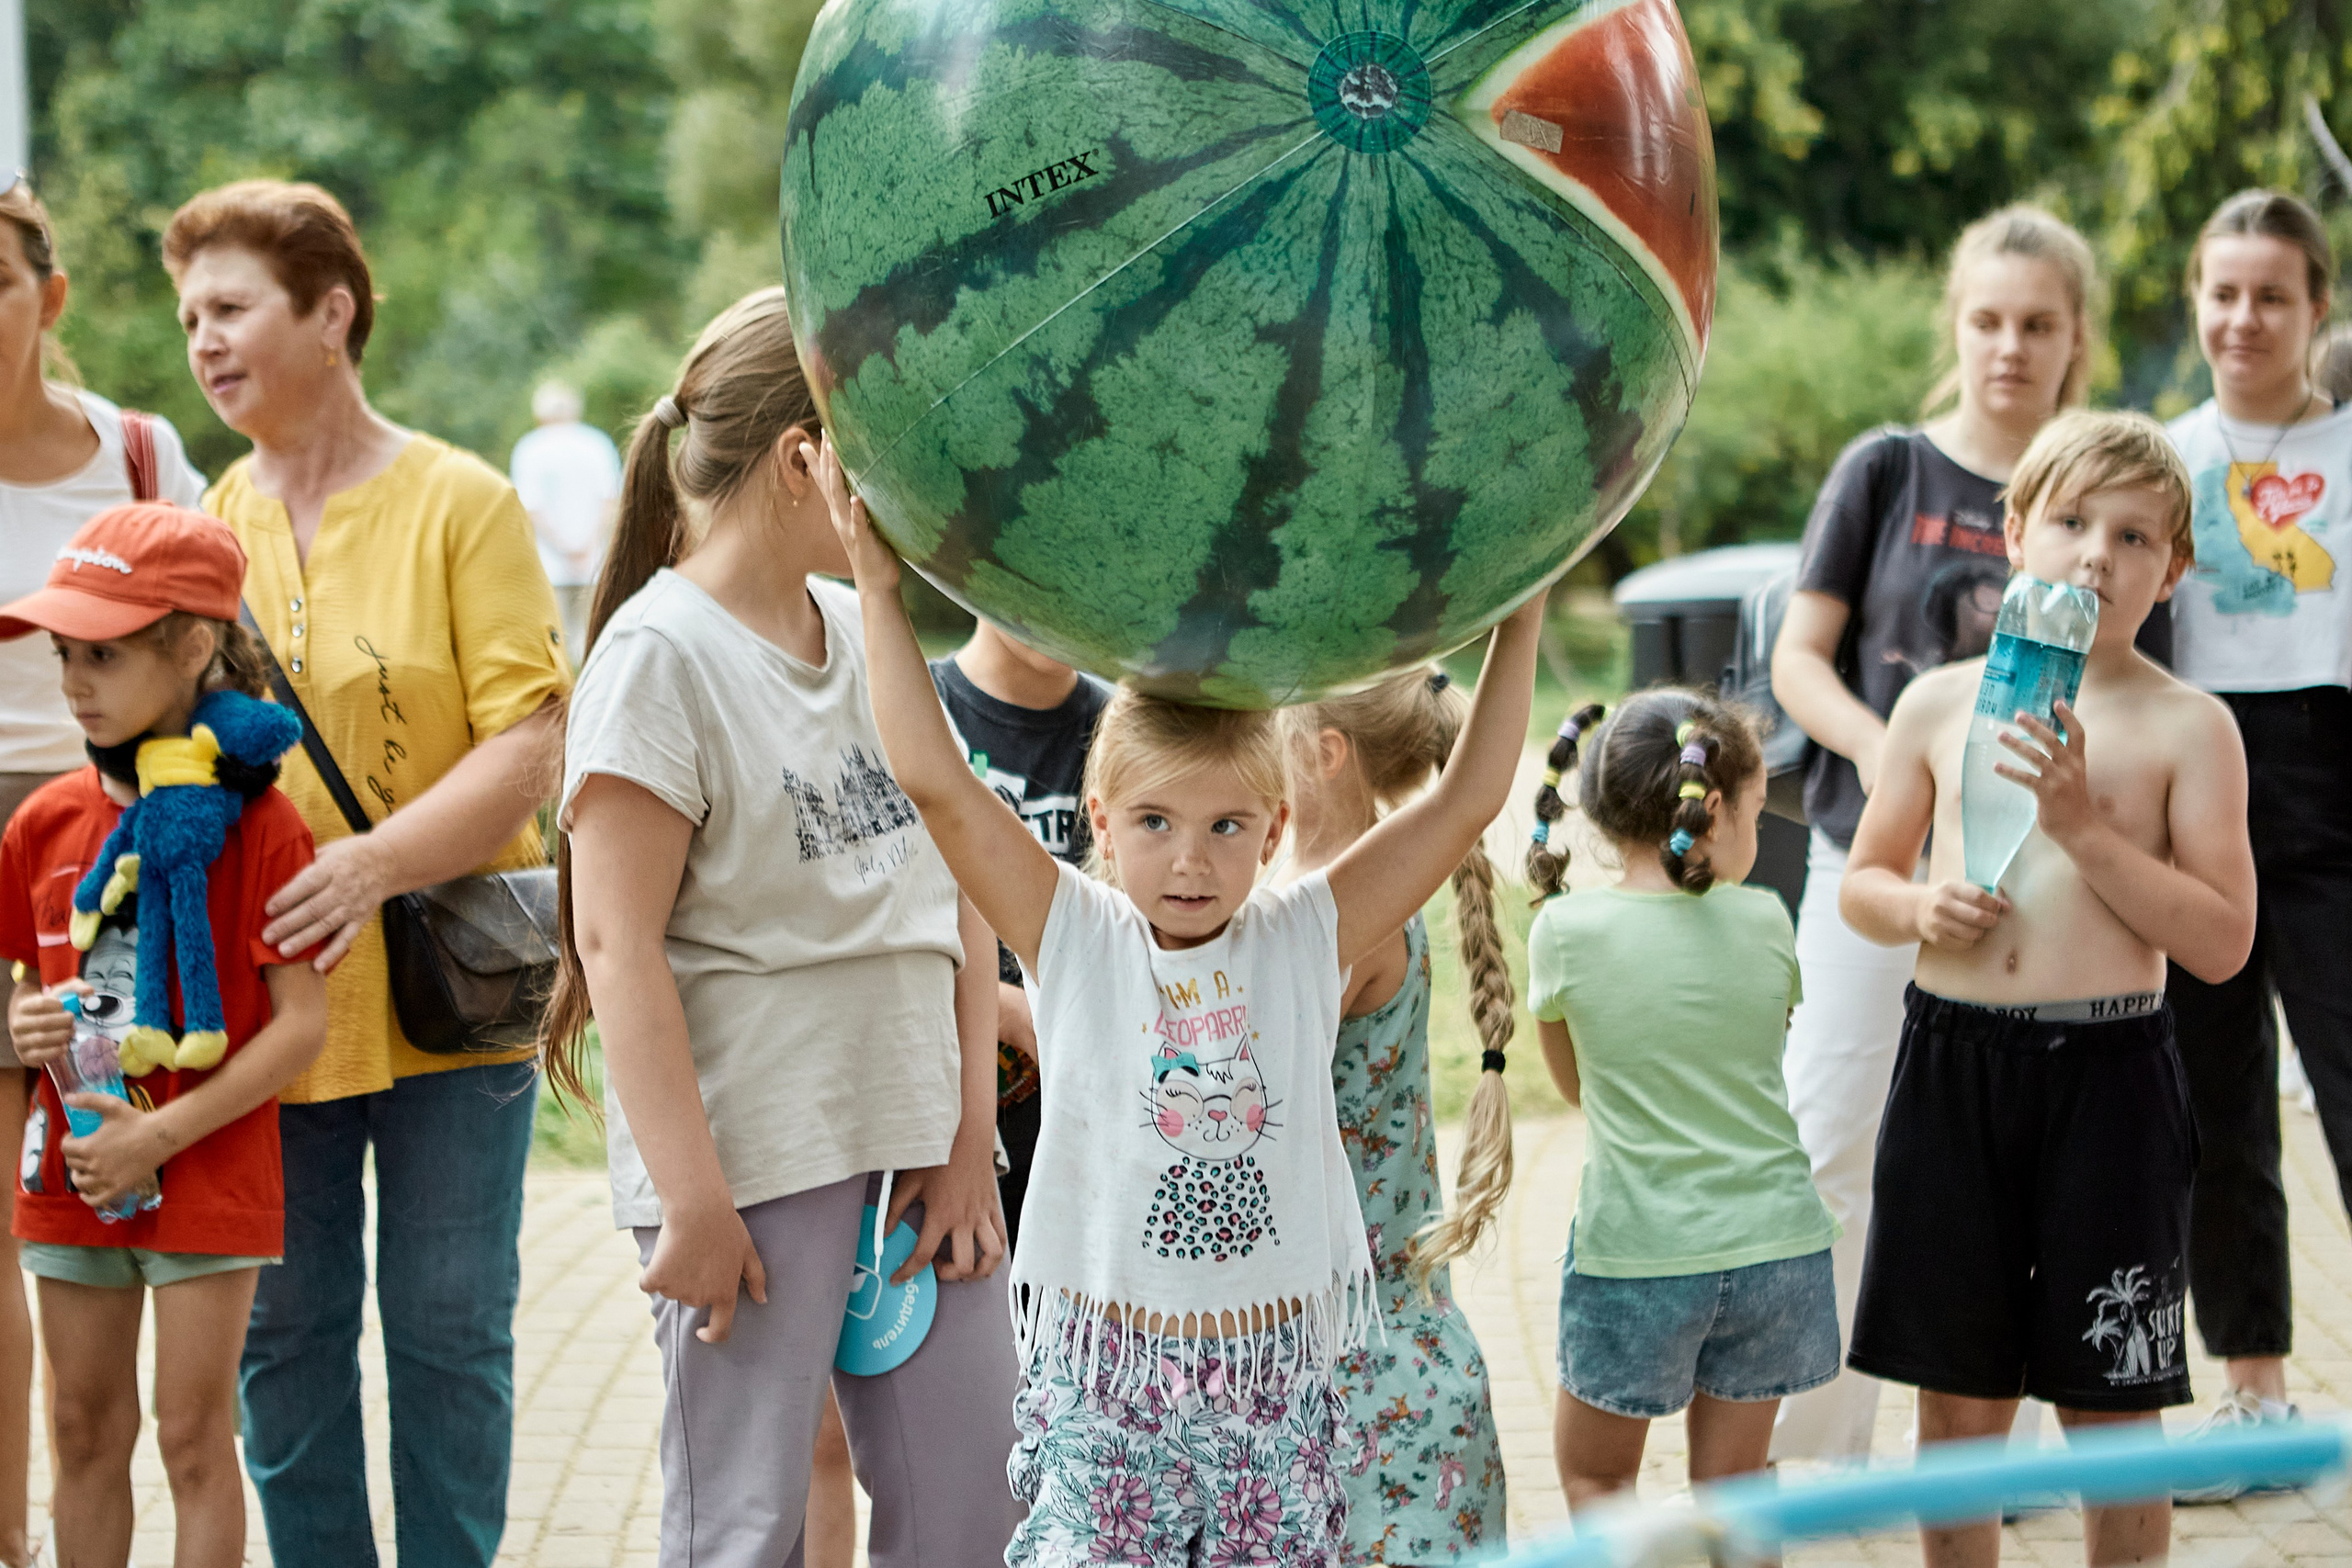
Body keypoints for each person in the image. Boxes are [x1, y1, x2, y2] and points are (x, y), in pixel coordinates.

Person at [820, 423, 1544, 1564]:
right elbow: (935, 782)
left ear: (1277, 831)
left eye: (1225, 828)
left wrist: (1527, 603)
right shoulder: (1075, 929)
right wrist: (875, 585)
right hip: (1108, 1388)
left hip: (1269, 1393)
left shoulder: (1307, 935)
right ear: (1100, 825)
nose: (1191, 861)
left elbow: (1464, 801)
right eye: (1154, 823)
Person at [545, 287, 1020, 1568]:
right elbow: (613, 947)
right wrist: (692, 1200)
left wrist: (968, 1131)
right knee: (743, 1526)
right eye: (881, 446)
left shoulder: (868, 633)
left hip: (918, 1164)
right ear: (804, 455)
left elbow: (961, 891)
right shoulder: (660, 656)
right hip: (753, 1175)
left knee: (977, 1502)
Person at [164, 178, 572, 1568]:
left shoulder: (464, 499)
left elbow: (535, 735)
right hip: (275, 1008)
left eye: (230, 308)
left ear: (331, 311)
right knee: (283, 1330)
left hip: (453, 991)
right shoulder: (211, 516)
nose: (203, 342)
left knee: (451, 1327)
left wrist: (370, 863)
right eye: (189, 319)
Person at [1840, 411, 2256, 1568]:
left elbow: (2222, 942)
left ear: (2173, 570)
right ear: (2013, 533)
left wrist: (2082, 827)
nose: (2096, 557)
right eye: (2071, 523)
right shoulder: (1936, 704)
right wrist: (1918, 910)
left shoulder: (2191, 727)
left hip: (2110, 1081)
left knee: (2113, 1415)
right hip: (1953, 1072)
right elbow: (1863, 883)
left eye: (2134, 538)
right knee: (1955, 1408)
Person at [1767, 205, 2114, 1463]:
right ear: (1955, 326)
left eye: (2037, 324)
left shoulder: (2101, 492)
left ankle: (1990, 1461)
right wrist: (1885, 751)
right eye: (1987, 320)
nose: (2009, 346)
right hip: (1872, 856)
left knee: (2010, 1165)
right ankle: (1811, 1446)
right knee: (1832, 1132)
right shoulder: (1885, 470)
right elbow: (1799, 658)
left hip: (2034, 882)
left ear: (2077, 338)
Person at [0, 503, 328, 1568]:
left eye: (104, 652)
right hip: (76, 1173)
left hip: (210, 1174)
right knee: (81, 1432)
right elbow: (24, 983)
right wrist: (26, 1019)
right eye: (64, 655)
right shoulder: (41, 824)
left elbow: (299, 1030)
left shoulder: (267, 826)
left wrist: (161, 1138)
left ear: (194, 646)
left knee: (194, 1441)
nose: (75, 681)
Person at [0, 175, 208, 1568]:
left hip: (119, 842)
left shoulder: (136, 453)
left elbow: (211, 634)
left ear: (49, 298)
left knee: (110, 1189)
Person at [1522, 690, 1839, 1513]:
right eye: (1761, 814)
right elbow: (1754, 1056)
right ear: (1718, 806)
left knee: (1599, 1479)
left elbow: (1577, 1088)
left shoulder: (1562, 932)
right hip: (1776, 1249)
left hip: (1639, 1255)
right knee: (1737, 1494)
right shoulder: (1768, 919)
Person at [2161, 189, 2351, 1493]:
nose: (2244, 317)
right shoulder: (2162, 455)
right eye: (2223, 293)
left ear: (2317, 308)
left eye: (2271, 295)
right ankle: (2256, 1398)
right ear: (2197, 300)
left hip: (2336, 796)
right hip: (2195, 800)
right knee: (2218, 1116)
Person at [1283, 667, 1510, 1562]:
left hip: (1365, 1391)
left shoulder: (1340, 910)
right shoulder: (1331, 882)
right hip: (1387, 1355)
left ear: (1326, 752)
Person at [931, 618, 1110, 1251]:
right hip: (946, 1147)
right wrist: (996, 1006)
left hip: (1088, 1160)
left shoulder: (1123, 728)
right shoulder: (921, 713)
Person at [511, 379, 622, 663]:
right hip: (593, 560)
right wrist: (587, 545)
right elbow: (610, 501)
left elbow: (530, 508)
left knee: (554, 647)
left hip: (548, 564)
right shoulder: (597, 443)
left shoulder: (530, 448)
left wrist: (564, 548)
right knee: (594, 644)